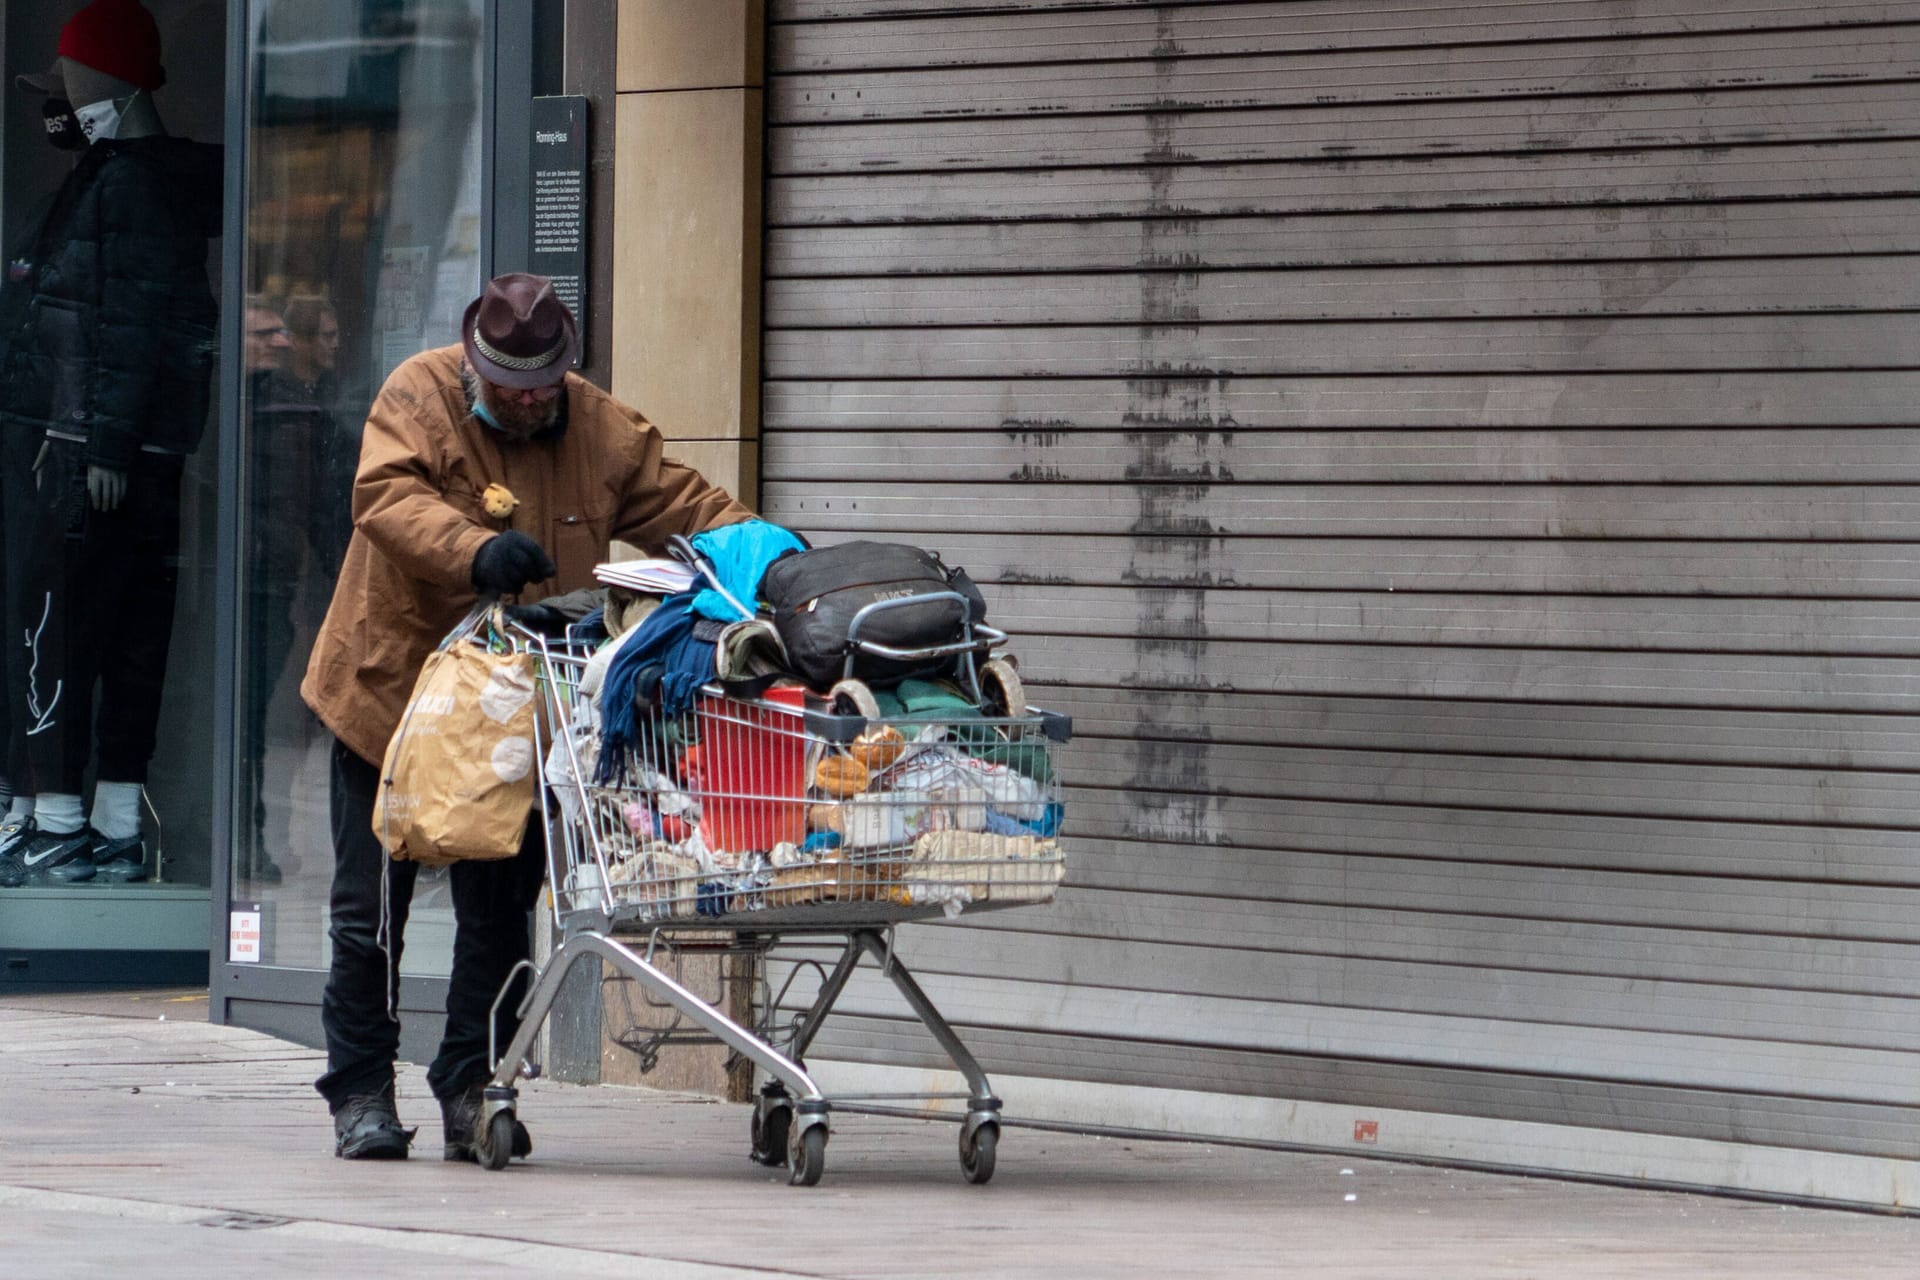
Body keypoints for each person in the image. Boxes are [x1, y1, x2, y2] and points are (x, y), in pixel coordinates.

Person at [300, 273, 751, 1160]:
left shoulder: (599, 427)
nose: (531, 400)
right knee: (370, 916)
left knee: (502, 914)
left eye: (546, 385)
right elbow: (386, 497)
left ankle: (473, 1084)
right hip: (394, 698)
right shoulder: (418, 394)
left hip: (517, 717)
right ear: (476, 365)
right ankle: (360, 1091)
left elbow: (691, 510)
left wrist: (766, 558)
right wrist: (477, 551)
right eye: (511, 388)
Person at [0, 0, 220, 888]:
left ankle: (57, 816)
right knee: (117, 636)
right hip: (107, 449)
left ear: (111, 84)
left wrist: (99, 444)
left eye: (71, 81)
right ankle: (105, 818)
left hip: (89, 456)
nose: (57, 99)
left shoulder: (125, 185)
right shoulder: (120, 179)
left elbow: (123, 323)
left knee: (64, 632)